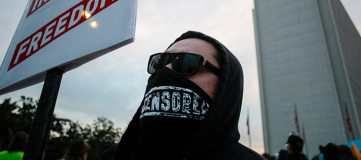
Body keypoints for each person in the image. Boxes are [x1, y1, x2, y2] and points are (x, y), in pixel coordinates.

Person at [96, 31, 266, 159]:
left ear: (225, 86)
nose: (165, 71)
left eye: (187, 63)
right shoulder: (112, 156)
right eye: (160, 63)